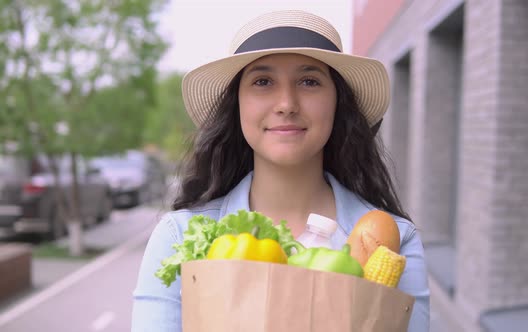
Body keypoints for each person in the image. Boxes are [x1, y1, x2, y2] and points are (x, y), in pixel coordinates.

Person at [131, 9, 430, 331]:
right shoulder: (179, 235)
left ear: (337, 103)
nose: (286, 103)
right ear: (238, 106)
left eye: (309, 81)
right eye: (263, 81)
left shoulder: (394, 241)